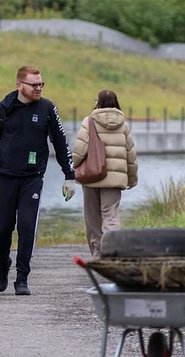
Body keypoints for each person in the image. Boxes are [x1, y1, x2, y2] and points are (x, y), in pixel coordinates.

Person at [0, 65, 75, 296]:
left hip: (32, 178)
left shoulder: (48, 108)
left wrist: (69, 176)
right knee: (2, 229)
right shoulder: (4, 108)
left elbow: (60, 143)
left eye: (41, 84)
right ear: (20, 85)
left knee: (27, 227)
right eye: (34, 84)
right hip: (4, 177)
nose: (38, 88)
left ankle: (22, 277)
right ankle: (3, 263)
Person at [71, 89, 137, 259]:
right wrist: (131, 179)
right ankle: (113, 253)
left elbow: (80, 150)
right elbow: (131, 154)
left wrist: (74, 167)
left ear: (98, 102)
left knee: (93, 219)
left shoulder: (90, 121)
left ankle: (98, 255)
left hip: (91, 176)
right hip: (114, 180)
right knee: (111, 216)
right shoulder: (123, 124)